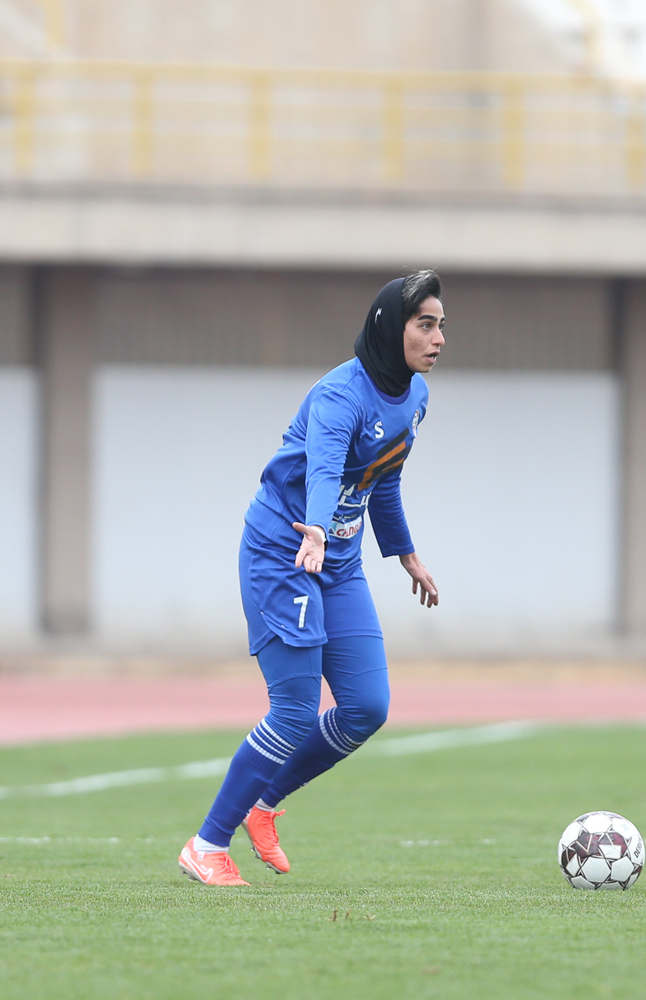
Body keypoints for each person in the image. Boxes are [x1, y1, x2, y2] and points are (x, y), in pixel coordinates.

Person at [178, 270, 445, 886]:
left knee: (366, 708)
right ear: (391, 328)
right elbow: (324, 470)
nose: (438, 339)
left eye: (440, 326)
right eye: (425, 325)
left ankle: (263, 804)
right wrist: (318, 529)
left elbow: (383, 478)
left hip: (338, 561)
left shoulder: (416, 397)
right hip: (286, 552)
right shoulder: (339, 396)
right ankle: (207, 844)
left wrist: (405, 554)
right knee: (294, 710)